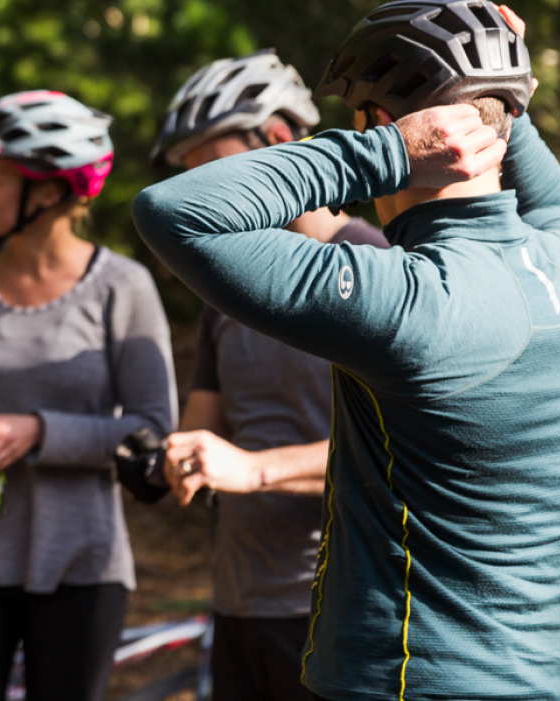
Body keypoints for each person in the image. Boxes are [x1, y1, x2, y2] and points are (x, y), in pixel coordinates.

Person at [133, 0, 560, 701]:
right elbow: (547, 191)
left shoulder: (405, 297)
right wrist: (503, 91)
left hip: (404, 678)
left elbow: (173, 211)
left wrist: (392, 152)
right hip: (547, 676)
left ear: (381, 127)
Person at [0, 90, 177, 701]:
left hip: (83, 565)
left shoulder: (123, 287)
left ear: (53, 192)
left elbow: (153, 427)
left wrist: (40, 432)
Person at [149, 50, 387, 701]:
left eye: (210, 166)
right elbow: (204, 431)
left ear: (279, 139)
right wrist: (168, 458)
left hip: (339, 612)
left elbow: (405, 451)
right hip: (237, 605)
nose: (201, 192)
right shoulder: (227, 291)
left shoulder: (377, 266)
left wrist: (253, 469)